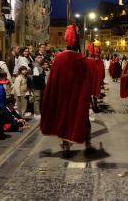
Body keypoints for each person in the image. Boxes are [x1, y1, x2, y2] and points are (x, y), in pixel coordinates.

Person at [41, 24, 93, 157]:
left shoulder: (59, 58)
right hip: (78, 97)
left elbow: (53, 79)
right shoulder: (82, 59)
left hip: (62, 96)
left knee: (64, 120)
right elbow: (87, 80)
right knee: (83, 119)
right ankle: (87, 143)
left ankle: (65, 146)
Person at [32, 54, 46, 120]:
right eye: (38, 57)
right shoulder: (35, 67)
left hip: (41, 86)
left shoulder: (40, 66)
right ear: (35, 59)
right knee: (37, 100)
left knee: (41, 99)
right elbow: (36, 78)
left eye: (40, 57)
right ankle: (36, 113)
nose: (40, 59)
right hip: (37, 87)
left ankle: (40, 112)